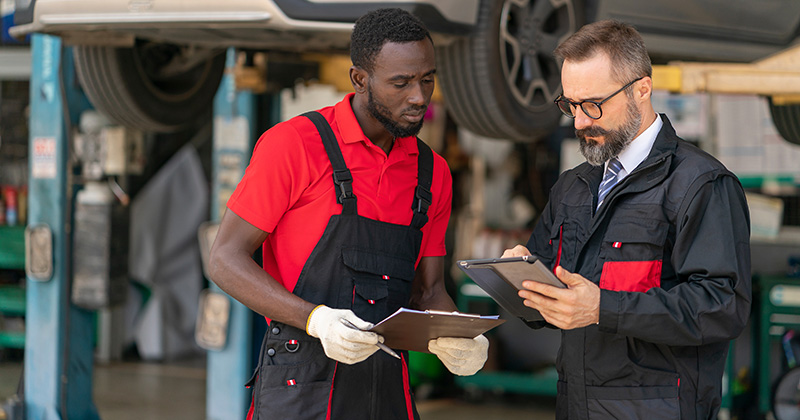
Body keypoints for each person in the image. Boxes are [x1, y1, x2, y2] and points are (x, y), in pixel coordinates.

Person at [208, 8, 488, 420]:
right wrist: (315, 320)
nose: (419, 97)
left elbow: (428, 292)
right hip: (300, 388)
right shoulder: (293, 145)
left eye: (427, 79)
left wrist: (452, 333)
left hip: (387, 391)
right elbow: (224, 259)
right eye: (401, 83)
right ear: (359, 79)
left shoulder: (434, 174)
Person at [502, 20, 751, 419]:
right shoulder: (573, 186)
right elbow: (551, 295)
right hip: (576, 404)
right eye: (570, 105)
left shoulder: (700, 184)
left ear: (642, 89)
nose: (580, 122)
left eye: (593, 105)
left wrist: (604, 308)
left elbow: (721, 306)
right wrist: (520, 279)